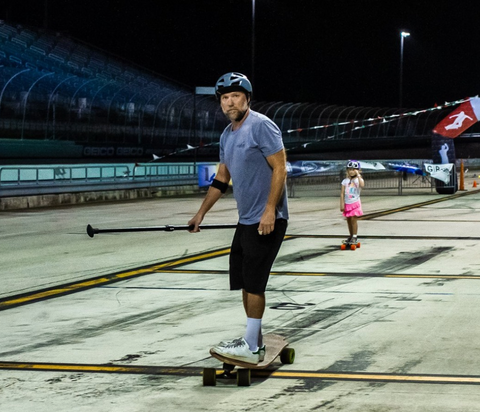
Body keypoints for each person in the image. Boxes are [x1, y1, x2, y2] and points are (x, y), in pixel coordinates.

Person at [188, 72, 289, 364]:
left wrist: (270, 210)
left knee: (255, 283)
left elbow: (281, 168)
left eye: (234, 96)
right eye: (224, 98)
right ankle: (252, 339)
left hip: (267, 219)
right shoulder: (227, 135)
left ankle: (252, 347)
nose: (229, 102)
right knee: (245, 282)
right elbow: (222, 178)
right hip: (246, 221)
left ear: (246, 98)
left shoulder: (261, 126)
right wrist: (200, 213)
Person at [340, 160, 365, 245]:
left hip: (355, 203)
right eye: (350, 169)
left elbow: (362, 185)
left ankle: (354, 236)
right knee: (348, 220)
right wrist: (341, 204)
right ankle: (350, 236)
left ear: (358, 170)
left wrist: (358, 175)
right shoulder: (345, 181)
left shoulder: (358, 180)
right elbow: (342, 193)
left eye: (354, 169)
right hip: (347, 203)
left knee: (354, 220)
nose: (351, 171)